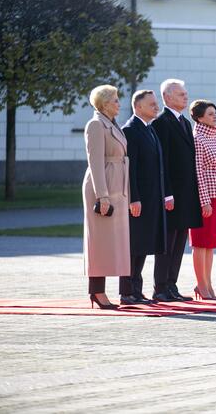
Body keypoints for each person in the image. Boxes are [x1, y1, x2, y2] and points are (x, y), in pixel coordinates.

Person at [150, 79, 202, 302]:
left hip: (186, 193)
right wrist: (167, 193)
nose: (185, 97)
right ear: (168, 97)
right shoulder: (162, 122)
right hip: (171, 194)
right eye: (181, 94)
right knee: (167, 242)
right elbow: (163, 163)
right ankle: (160, 287)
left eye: (185, 93)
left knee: (180, 241)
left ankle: (172, 284)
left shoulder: (183, 121)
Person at [82, 84, 131, 309]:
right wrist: (102, 196)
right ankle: (97, 292)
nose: (119, 104)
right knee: (99, 241)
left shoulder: (111, 124)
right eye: (115, 100)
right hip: (103, 186)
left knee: (111, 241)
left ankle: (102, 291)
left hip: (116, 185)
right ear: (103, 103)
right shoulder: (95, 125)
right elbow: (95, 162)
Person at [119, 90, 168, 305]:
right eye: (152, 104)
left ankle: (137, 291)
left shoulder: (149, 129)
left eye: (156, 104)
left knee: (143, 245)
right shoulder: (131, 130)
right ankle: (127, 292)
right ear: (138, 107)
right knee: (134, 245)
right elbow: (131, 169)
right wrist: (133, 198)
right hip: (139, 199)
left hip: (152, 198)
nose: (156, 107)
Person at [188, 99, 216, 300]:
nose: (215, 116)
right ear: (199, 117)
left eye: (215, 112)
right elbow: (198, 172)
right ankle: (201, 286)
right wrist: (204, 200)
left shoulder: (214, 137)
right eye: (210, 113)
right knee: (200, 243)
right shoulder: (197, 139)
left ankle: (208, 285)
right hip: (204, 198)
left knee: (210, 244)